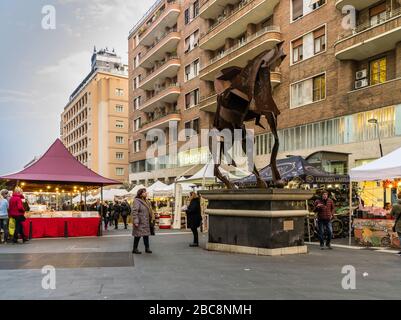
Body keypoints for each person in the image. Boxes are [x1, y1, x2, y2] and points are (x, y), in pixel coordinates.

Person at [131, 188, 155, 254]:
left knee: (146, 235)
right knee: (138, 235)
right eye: (144, 192)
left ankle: (147, 248)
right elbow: (134, 211)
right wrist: (136, 221)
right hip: (140, 221)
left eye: (146, 192)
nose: (146, 193)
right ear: (141, 194)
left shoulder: (146, 201)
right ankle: (134, 249)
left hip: (146, 221)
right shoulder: (137, 201)